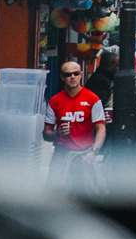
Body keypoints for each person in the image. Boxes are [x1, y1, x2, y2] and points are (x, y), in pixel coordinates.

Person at [44, 60, 106, 188]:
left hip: (85, 153)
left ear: (81, 75)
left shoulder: (92, 99)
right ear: (62, 77)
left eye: (75, 73)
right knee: (53, 192)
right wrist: (57, 133)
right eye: (68, 74)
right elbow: (46, 133)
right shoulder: (55, 101)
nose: (72, 77)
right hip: (62, 153)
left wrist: (94, 151)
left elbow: (101, 128)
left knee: (88, 192)